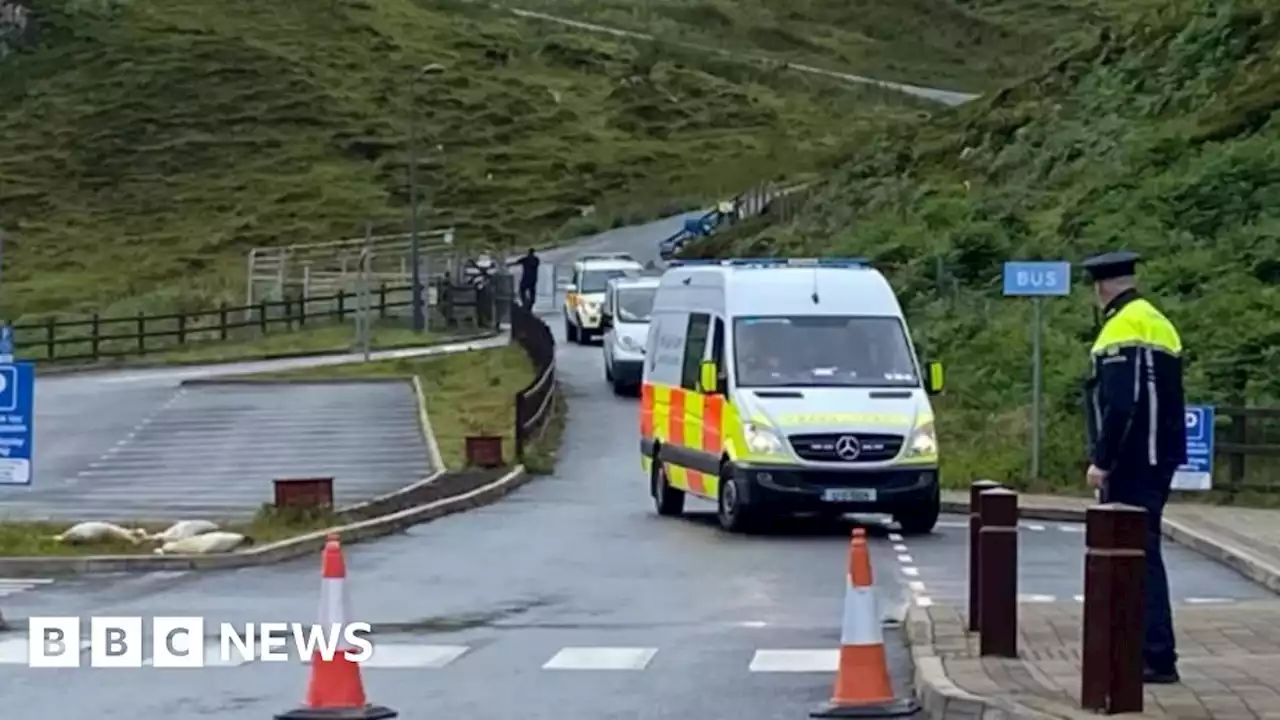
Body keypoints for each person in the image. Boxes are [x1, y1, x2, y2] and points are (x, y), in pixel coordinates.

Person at [1082, 250, 1186, 685]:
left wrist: (1102, 462)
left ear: (1101, 287)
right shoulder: (1159, 322)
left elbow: (1120, 405)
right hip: (1160, 457)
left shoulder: (1120, 330)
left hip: (1132, 463)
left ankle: (1154, 656)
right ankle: (1148, 651)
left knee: (1136, 557)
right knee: (1145, 554)